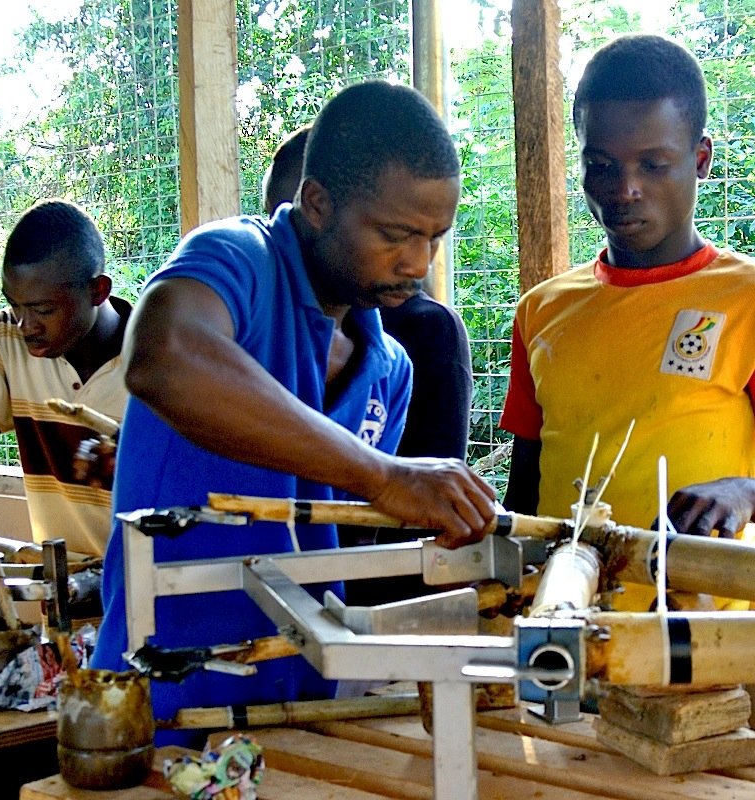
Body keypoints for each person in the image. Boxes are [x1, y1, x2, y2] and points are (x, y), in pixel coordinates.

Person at [91, 80, 498, 744]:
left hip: (298, 708)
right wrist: (385, 476)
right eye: (396, 234)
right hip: (163, 702)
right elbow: (163, 356)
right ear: (316, 203)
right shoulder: (238, 257)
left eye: (434, 237)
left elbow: (341, 530)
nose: (419, 263)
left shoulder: (390, 370)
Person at [499, 34, 755, 611]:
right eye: (602, 164)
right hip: (565, 636)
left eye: (653, 164)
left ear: (702, 159)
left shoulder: (746, 299)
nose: (624, 188)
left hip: (707, 650)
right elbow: (526, 485)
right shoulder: (542, 310)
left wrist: (745, 491)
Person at [264, 124, 474, 605]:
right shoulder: (244, 299)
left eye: (428, 238)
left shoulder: (407, 350)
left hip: (361, 599)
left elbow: (411, 497)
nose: (417, 265)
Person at [0, 199, 131, 557]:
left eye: (43, 310)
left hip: (155, 587)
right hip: (65, 591)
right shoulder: (4, 341)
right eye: (15, 304)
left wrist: (131, 462)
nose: (25, 325)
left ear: (97, 291)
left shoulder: (161, 356)